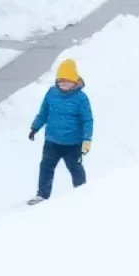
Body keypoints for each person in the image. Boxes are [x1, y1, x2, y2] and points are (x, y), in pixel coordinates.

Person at [27, 58, 93, 205]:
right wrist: (35, 127)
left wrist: (87, 140)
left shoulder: (81, 98)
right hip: (52, 141)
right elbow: (44, 112)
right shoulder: (51, 93)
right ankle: (42, 195)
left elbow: (87, 120)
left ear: (74, 81)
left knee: (75, 168)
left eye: (66, 81)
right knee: (46, 167)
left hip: (73, 143)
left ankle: (83, 192)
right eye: (60, 80)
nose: (62, 84)